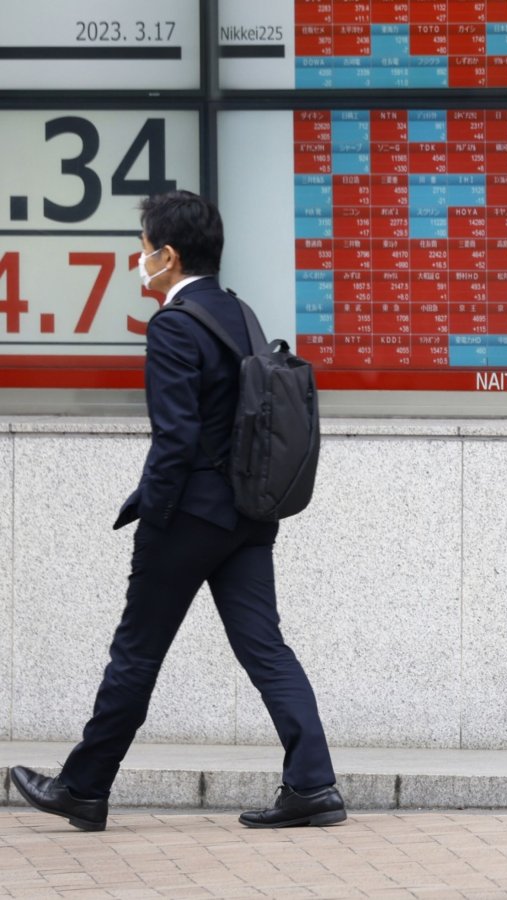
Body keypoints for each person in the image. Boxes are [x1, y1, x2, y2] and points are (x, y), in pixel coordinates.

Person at [7, 191, 345, 832]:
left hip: (190, 514)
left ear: (168, 255)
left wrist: (156, 517)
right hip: (249, 513)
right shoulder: (240, 312)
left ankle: (83, 787)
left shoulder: (174, 325)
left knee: (136, 652)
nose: (138, 260)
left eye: (142, 248)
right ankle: (313, 784)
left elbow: (176, 437)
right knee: (266, 648)